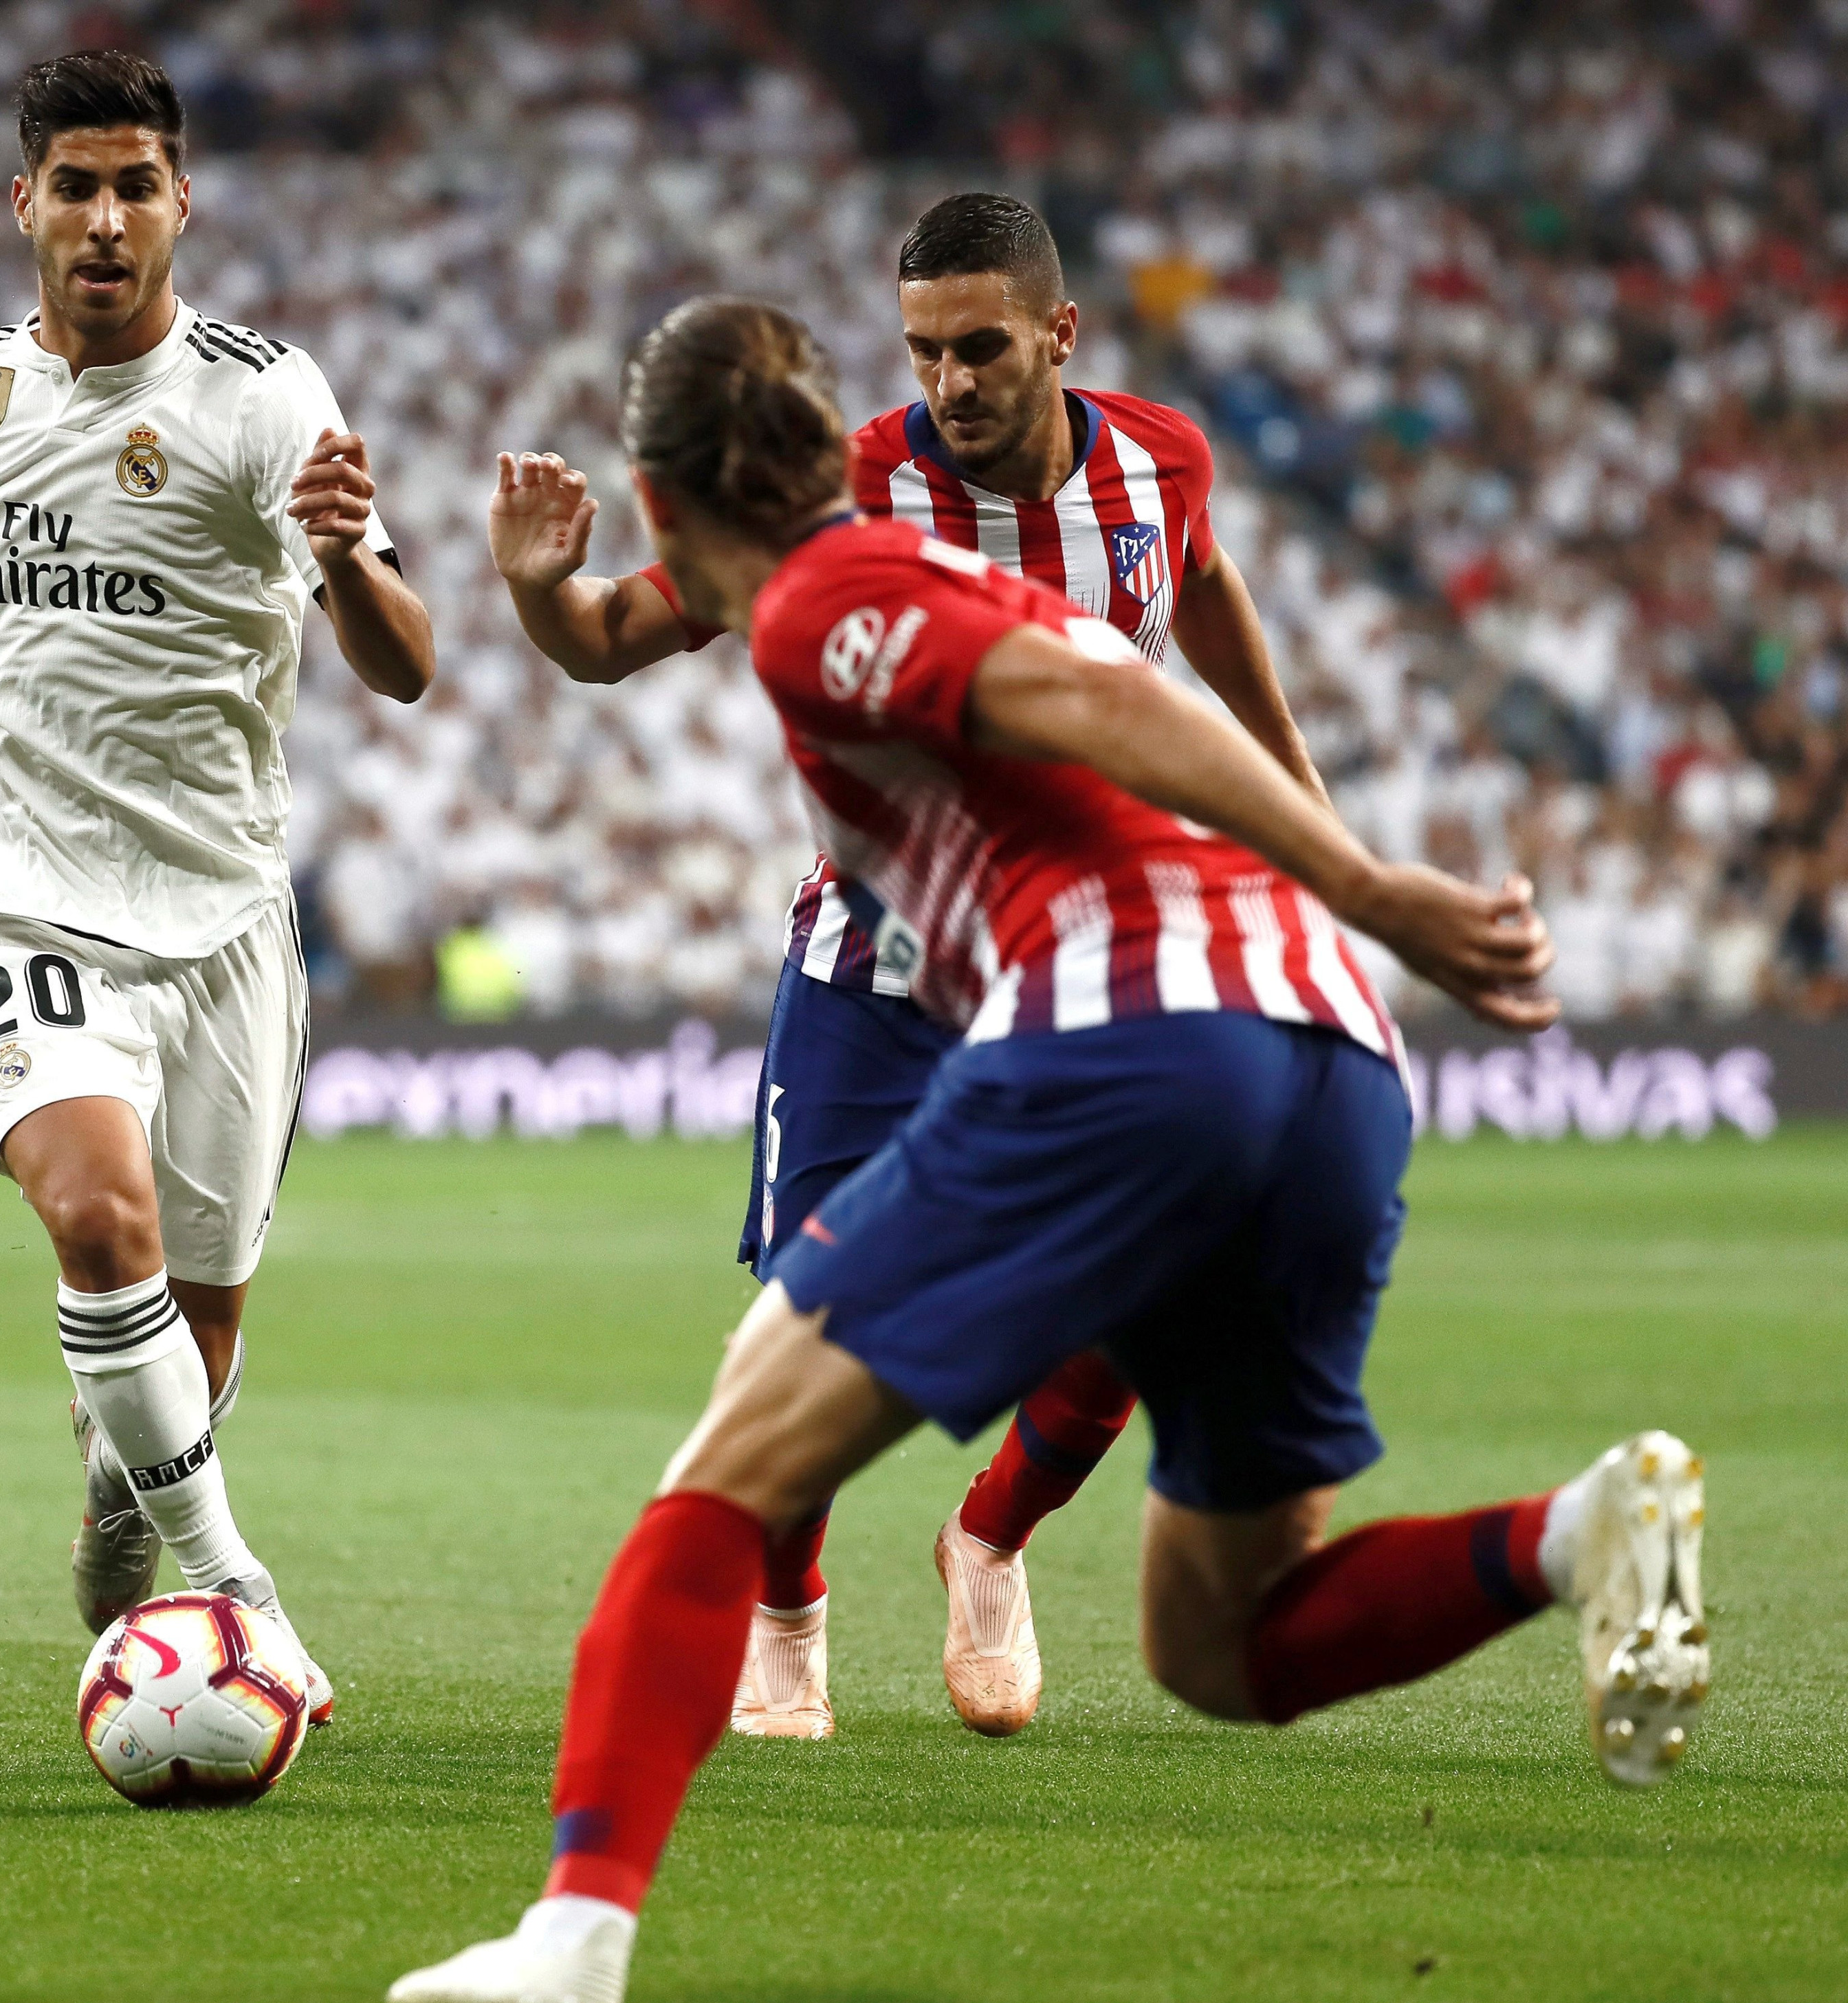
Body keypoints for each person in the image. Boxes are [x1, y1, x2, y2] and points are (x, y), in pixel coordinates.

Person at [391, 298, 1708, 2003]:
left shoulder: (822, 599)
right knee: (1220, 1641)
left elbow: (1089, 694)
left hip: (1138, 1023)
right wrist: (1343, 918)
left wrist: (1372, 880)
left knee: (726, 1465)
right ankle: (1581, 1535)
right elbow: (1078, 669)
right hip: (1329, 1054)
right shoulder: (871, 569)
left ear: (655, 505)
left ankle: (571, 1937)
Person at [487, 193, 1328, 1742]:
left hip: (1085, 966)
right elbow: (611, 638)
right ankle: (786, 1615)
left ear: (1058, 335)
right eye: (923, 351)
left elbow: (1197, 588)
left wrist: (1294, 798)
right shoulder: (841, 484)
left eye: (982, 346)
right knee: (808, 1313)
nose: (949, 381)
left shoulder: (1161, 463)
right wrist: (543, 588)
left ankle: (988, 1537)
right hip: (873, 963)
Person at [0, 50, 434, 1716]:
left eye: (135, 185)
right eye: (74, 185)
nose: (104, 219)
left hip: (226, 915)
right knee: (96, 1220)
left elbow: (402, 665)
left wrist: (341, 551)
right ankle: (236, 1589)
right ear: (22, 202)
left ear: (181, 202)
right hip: (16, 890)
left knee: (202, 1306)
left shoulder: (265, 399)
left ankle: (132, 1480)